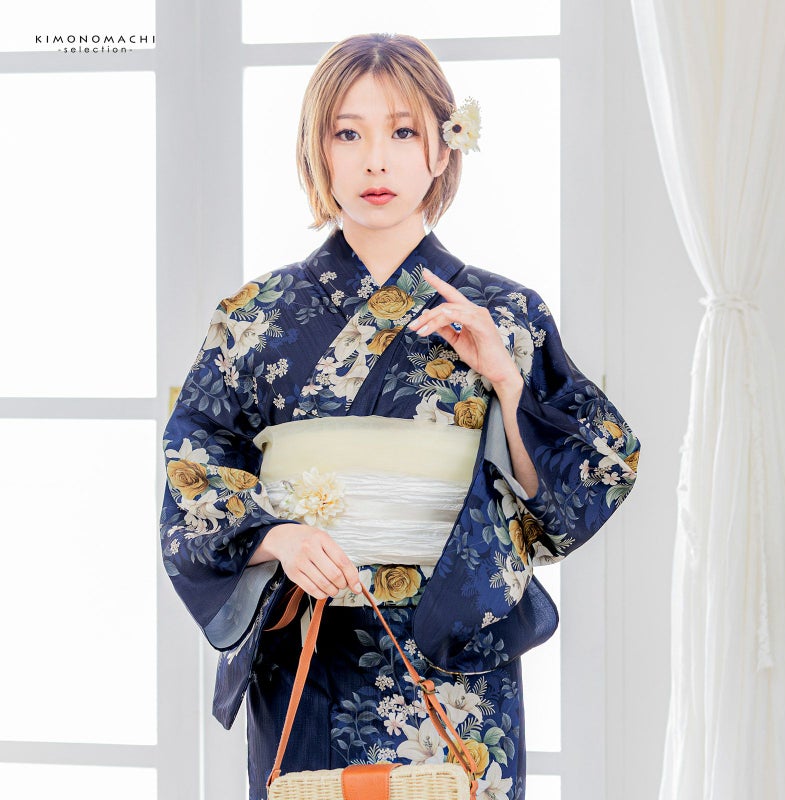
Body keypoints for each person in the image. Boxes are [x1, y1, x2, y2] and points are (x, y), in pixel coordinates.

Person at [159, 32, 641, 800]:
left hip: (455, 648)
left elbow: (587, 476)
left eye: (403, 132)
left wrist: (506, 381)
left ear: (443, 149)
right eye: (348, 134)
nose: (375, 161)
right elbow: (196, 459)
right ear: (318, 150)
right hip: (309, 645)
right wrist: (276, 536)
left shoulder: (506, 314)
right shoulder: (253, 318)